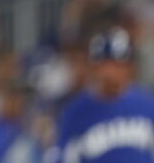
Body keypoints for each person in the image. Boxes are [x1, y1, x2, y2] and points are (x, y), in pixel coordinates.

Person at [52, 27, 154, 163]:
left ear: (129, 67)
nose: (112, 72)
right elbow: (64, 156)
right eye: (106, 64)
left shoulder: (147, 105)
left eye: (119, 65)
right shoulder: (76, 112)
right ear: (93, 67)